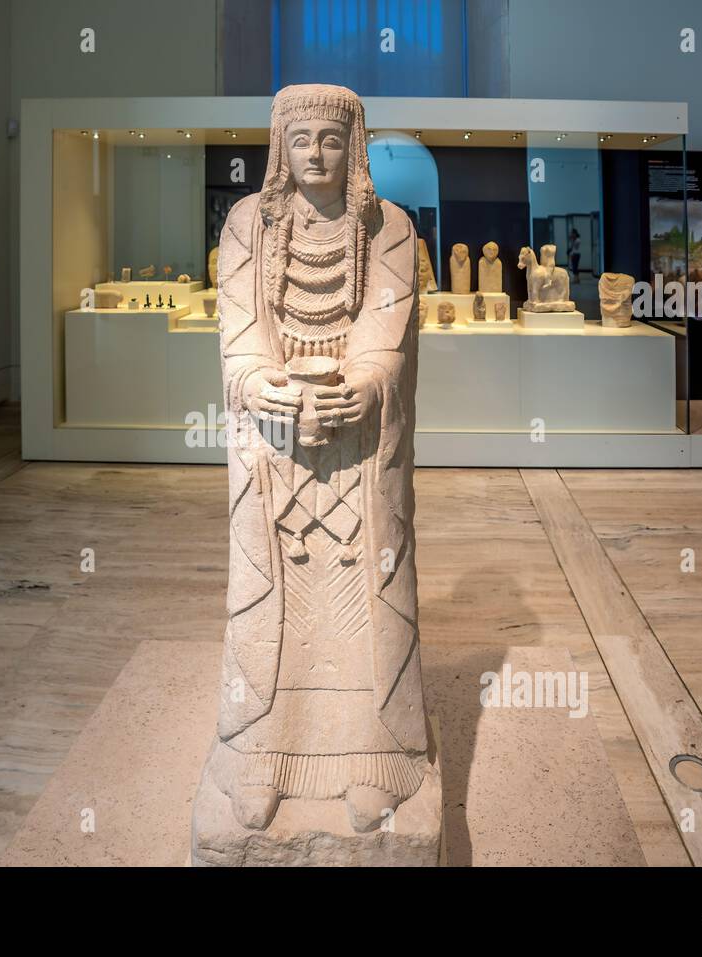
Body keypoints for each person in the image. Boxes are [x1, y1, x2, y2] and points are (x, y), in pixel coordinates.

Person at [198, 84, 431, 834]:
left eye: (331, 140)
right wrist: (262, 386)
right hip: (274, 445)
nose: (316, 155)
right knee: (275, 594)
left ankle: (372, 752)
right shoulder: (246, 228)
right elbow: (239, 334)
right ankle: (262, 751)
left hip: (358, 447)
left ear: (354, 145)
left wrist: (365, 387)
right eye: (301, 141)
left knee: (362, 588)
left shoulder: (390, 230)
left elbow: (386, 335)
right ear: (280, 147)